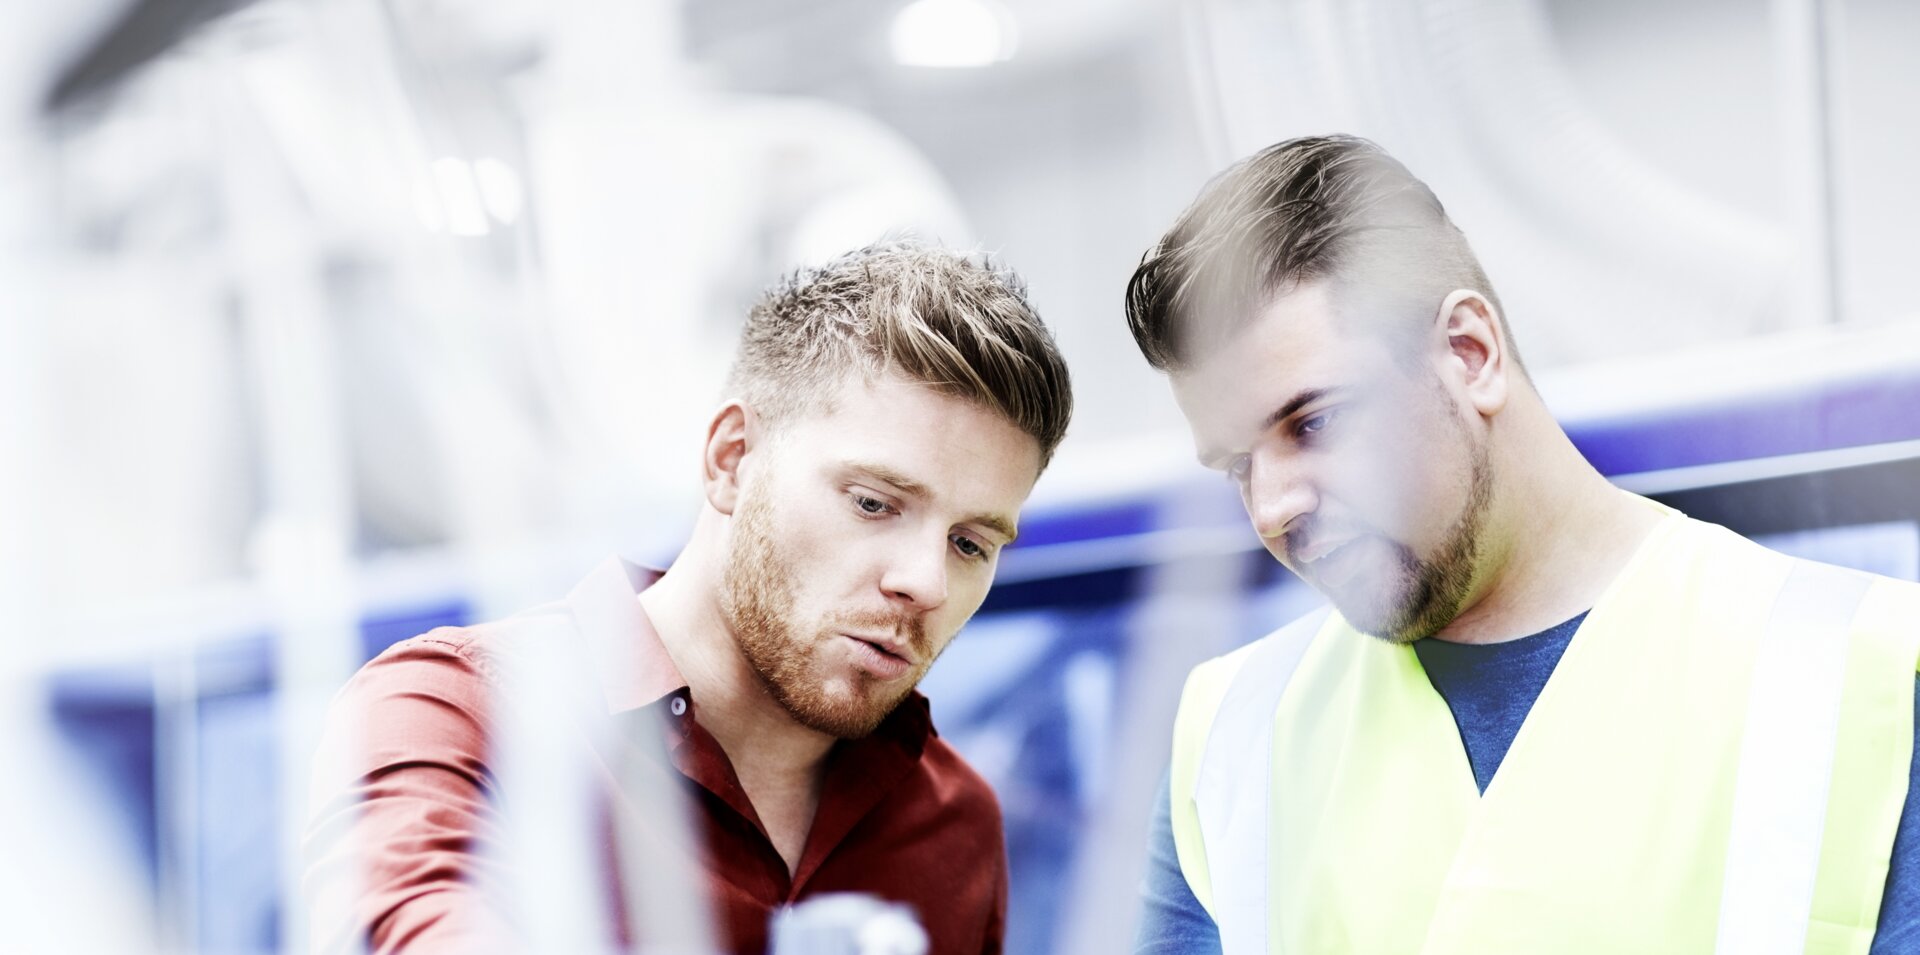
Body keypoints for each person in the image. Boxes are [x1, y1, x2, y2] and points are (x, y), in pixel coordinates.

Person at [1123, 135, 1920, 953]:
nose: (1272, 505)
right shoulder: (1234, 734)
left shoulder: (1862, 676)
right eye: (1236, 466)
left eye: (1316, 421)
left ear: (1470, 354)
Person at [303, 241, 1073, 954]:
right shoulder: (457, 714)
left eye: (971, 543)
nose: (926, 582)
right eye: (874, 503)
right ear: (733, 459)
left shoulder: (954, 824)